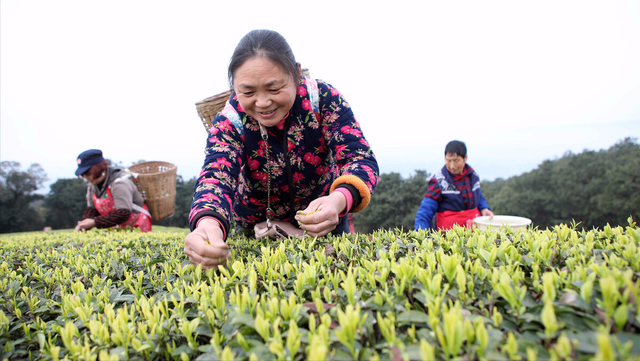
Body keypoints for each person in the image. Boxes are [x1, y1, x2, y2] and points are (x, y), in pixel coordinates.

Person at [184, 29, 379, 269]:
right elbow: (216, 178)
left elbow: (359, 159)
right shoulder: (229, 121)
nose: (263, 103)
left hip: (324, 220)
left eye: (274, 89)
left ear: (296, 73)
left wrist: (337, 200)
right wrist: (208, 225)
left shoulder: (323, 100)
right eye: (248, 92)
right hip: (257, 230)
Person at [414, 140, 494, 231]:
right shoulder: (439, 181)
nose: (452, 166)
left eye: (456, 161)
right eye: (449, 160)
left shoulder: (473, 176)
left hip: (473, 231)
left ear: (465, 158)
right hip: (448, 235)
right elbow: (425, 211)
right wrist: (421, 235)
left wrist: (484, 208)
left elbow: (478, 196)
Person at [74, 149, 152, 233]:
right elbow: (92, 209)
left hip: (136, 226)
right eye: (83, 175)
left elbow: (123, 213)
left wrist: (95, 222)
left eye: (88, 174)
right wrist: (84, 223)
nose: (86, 177)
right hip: (116, 229)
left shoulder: (120, 183)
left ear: (98, 169)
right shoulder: (92, 186)